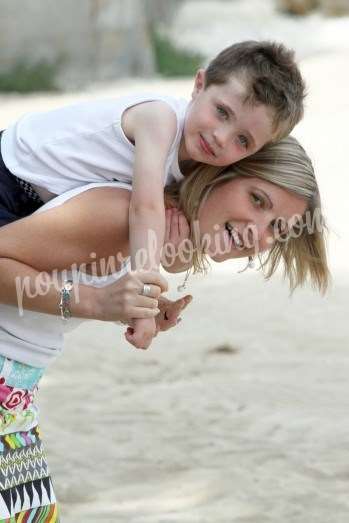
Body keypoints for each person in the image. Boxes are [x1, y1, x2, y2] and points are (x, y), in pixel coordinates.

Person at [0, 136, 329, 519]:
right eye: (257, 199)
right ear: (219, 174)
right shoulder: (119, 215)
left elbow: (48, 280)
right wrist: (93, 301)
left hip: (16, 394)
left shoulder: (152, 240)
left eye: (277, 228)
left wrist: (124, 304)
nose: (258, 232)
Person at [0, 40, 306, 349]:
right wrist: (144, 295)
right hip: (10, 173)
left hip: (34, 198)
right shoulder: (159, 120)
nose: (221, 138)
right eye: (222, 112)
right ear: (199, 85)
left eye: (243, 140)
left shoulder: (196, 160)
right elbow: (145, 209)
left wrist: (145, 303)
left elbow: (173, 250)